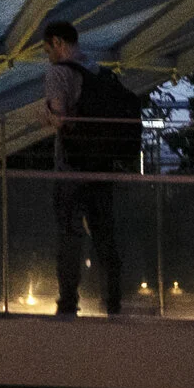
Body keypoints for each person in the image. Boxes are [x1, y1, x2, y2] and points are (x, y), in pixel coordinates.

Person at [40, 17, 123, 318]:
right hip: (101, 165)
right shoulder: (97, 70)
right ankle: (112, 303)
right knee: (105, 234)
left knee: (69, 233)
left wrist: (47, 116)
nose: (47, 54)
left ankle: (67, 303)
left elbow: (60, 117)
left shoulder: (58, 72)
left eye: (47, 48)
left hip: (71, 165)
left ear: (58, 43)